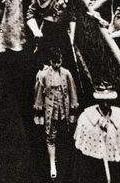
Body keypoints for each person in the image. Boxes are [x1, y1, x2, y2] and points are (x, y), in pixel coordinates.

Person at [73, 83, 120, 183]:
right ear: (98, 101)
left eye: (108, 101)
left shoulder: (119, 117)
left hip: (114, 164)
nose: (105, 104)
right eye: (102, 101)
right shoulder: (85, 118)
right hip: (93, 165)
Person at [34, 48, 78, 180]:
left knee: (64, 134)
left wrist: (72, 112)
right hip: (50, 111)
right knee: (50, 136)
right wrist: (39, 114)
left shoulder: (66, 73)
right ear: (50, 61)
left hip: (63, 110)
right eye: (55, 62)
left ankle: (63, 162)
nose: (57, 64)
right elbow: (38, 95)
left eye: (59, 61)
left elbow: (73, 91)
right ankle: (52, 163)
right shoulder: (43, 75)